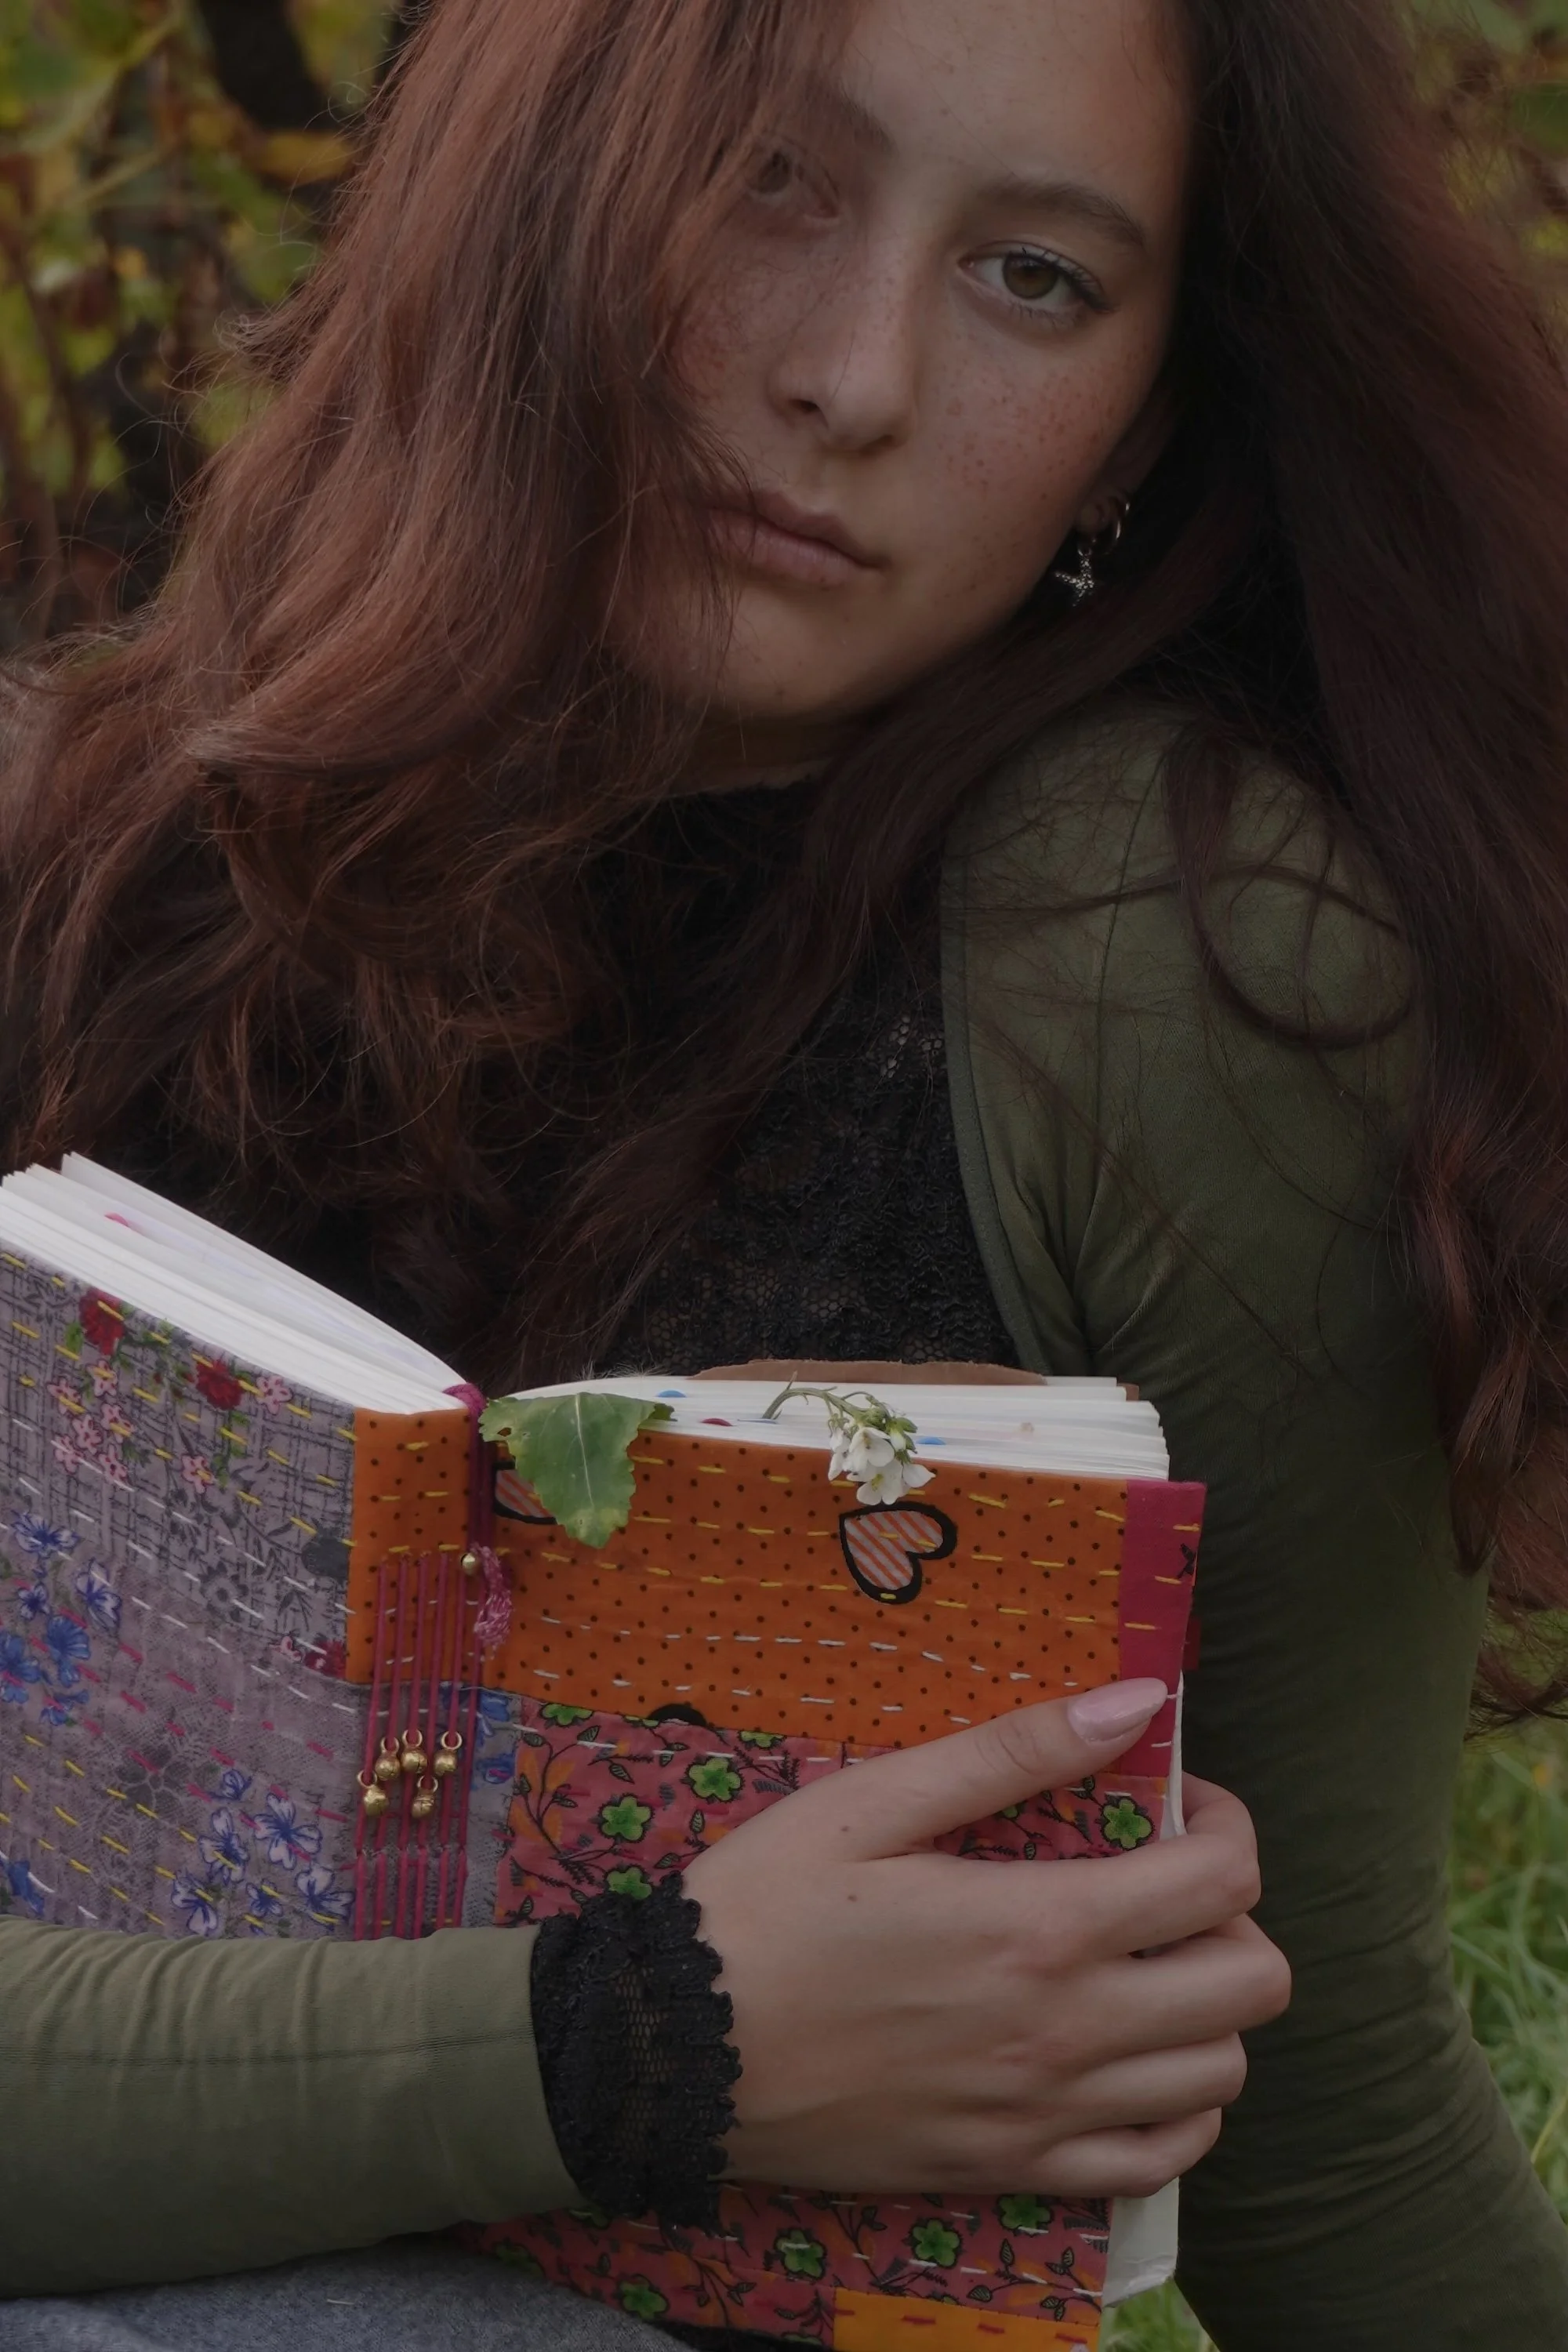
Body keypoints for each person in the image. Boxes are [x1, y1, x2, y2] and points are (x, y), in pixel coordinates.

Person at [0, 0, 1566, 2346]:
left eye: (1036, 274)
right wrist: (639, 2036)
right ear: (541, 182)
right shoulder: (110, 856)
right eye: (768, 178)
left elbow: (1307, 2098)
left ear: (1142, 427)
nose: (852, 376)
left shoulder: (1165, 968)